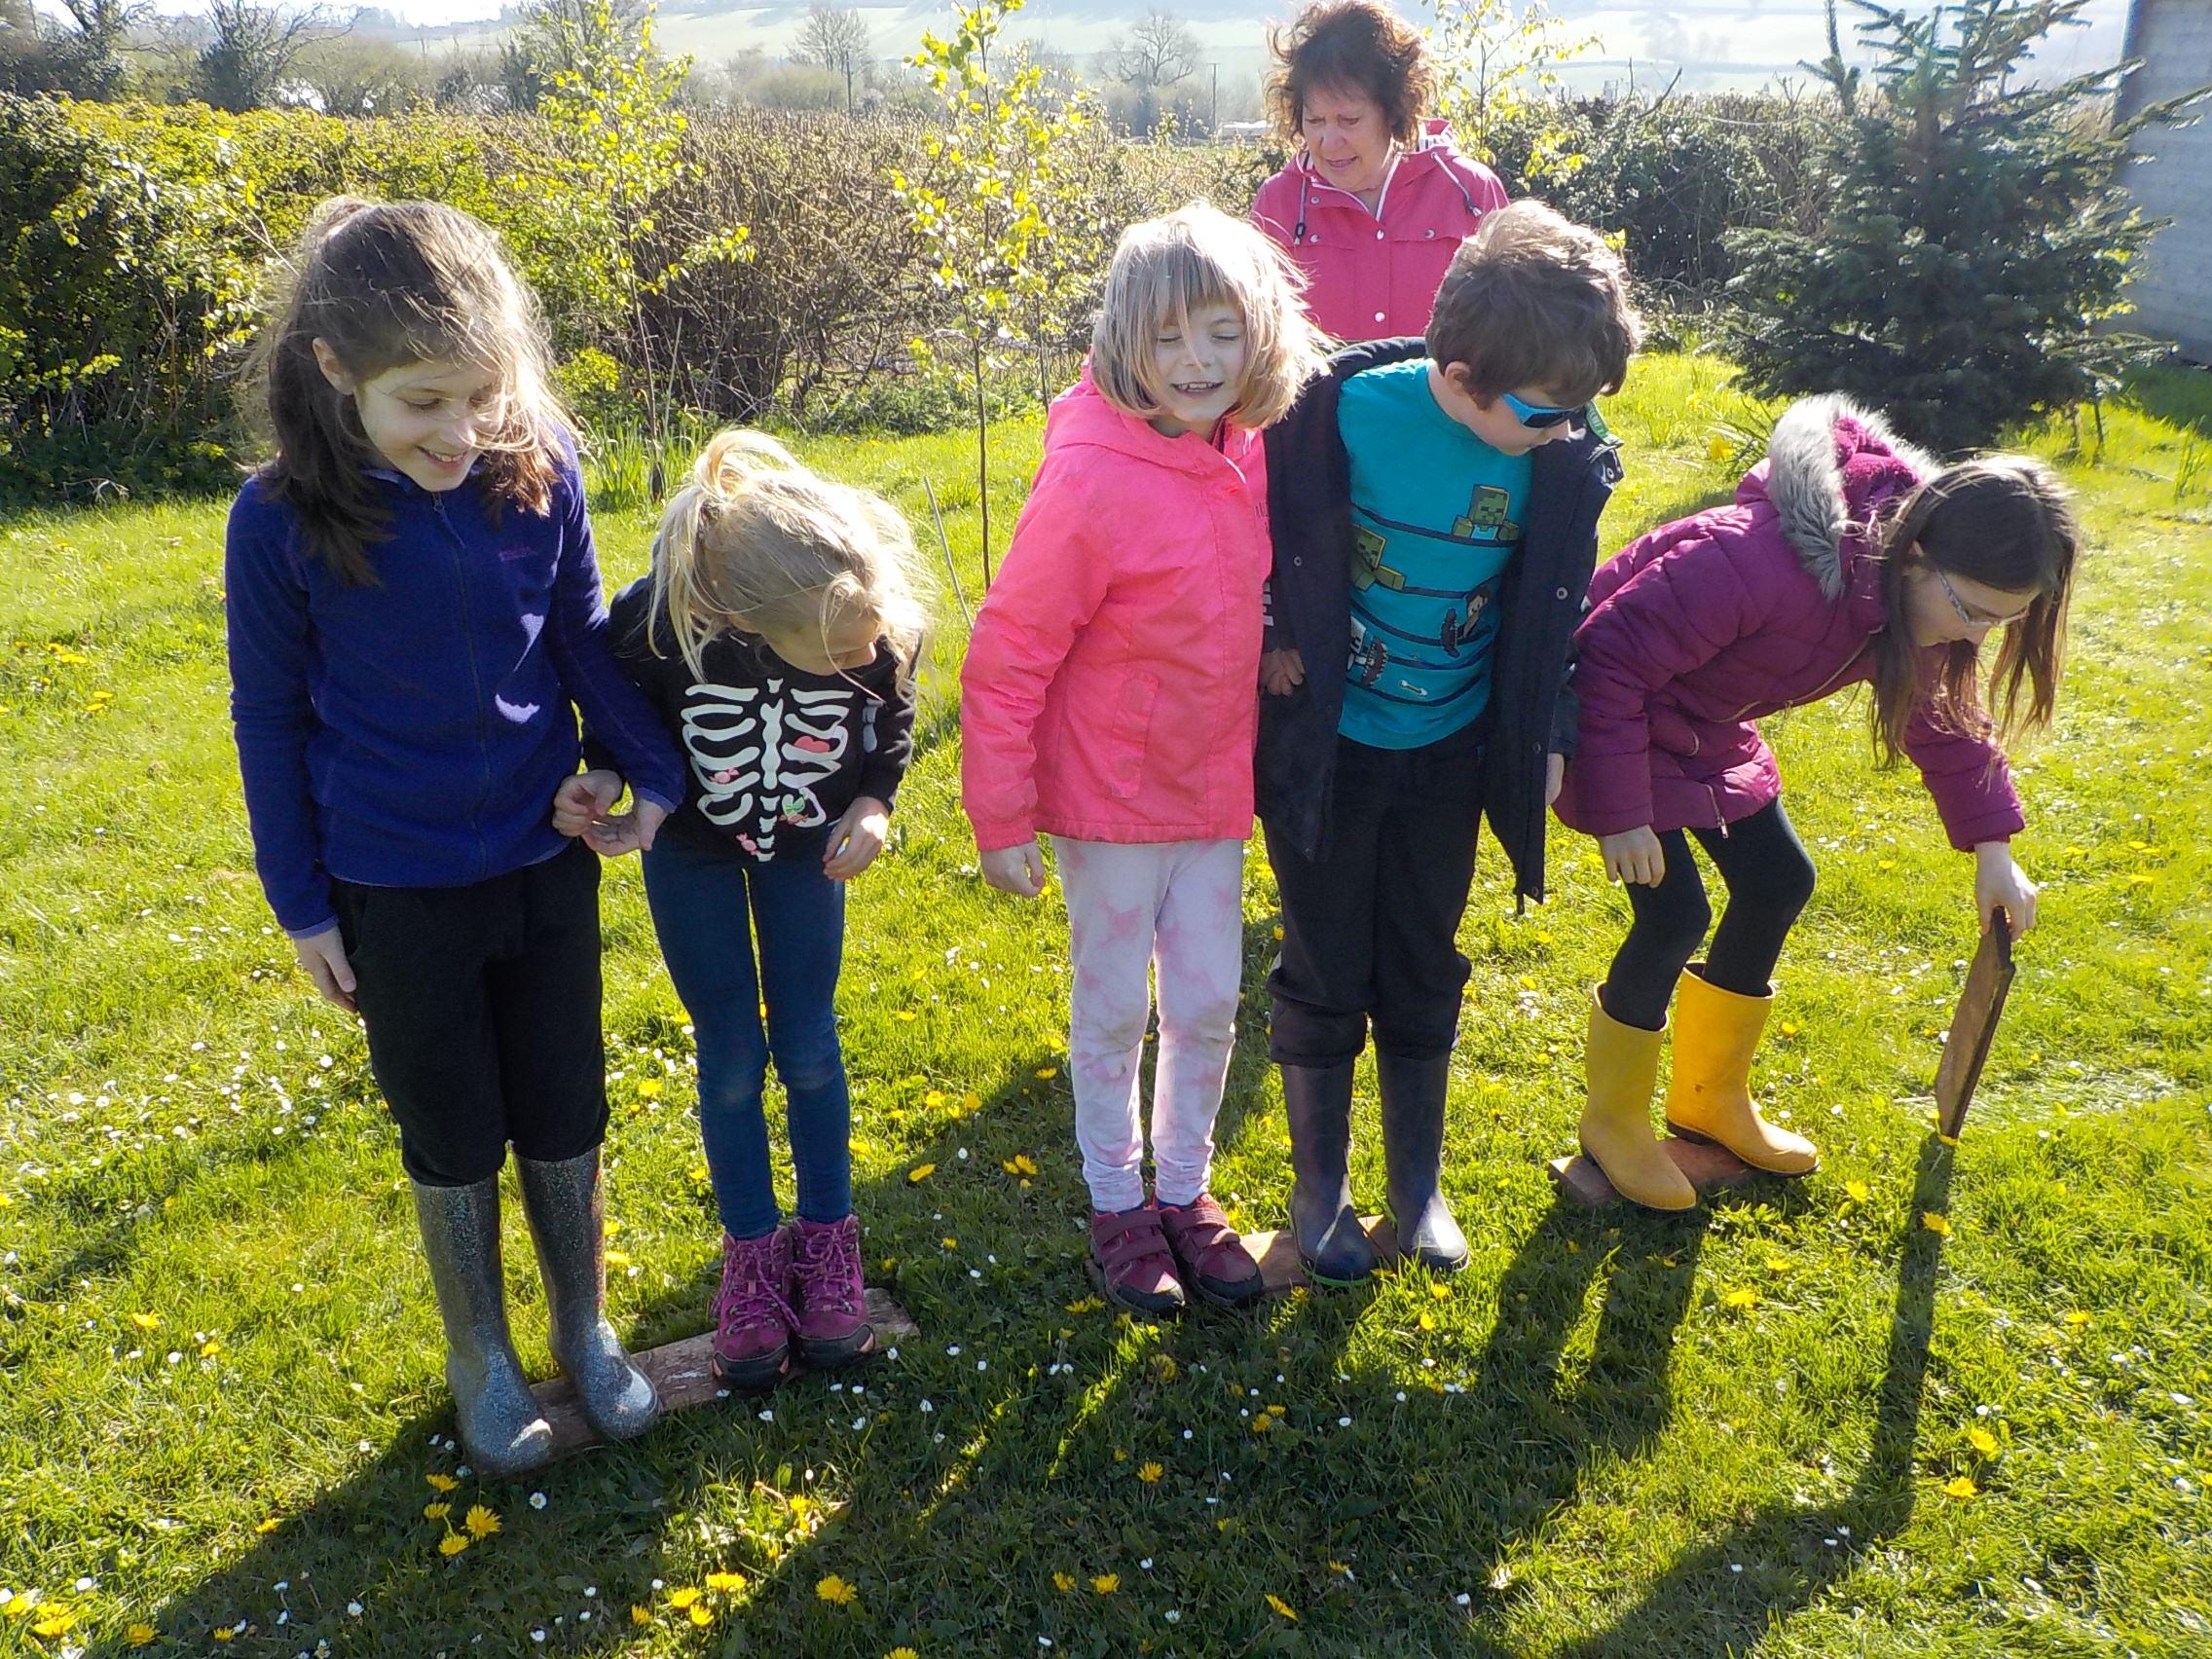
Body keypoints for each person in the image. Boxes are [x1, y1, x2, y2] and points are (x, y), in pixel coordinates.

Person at [224, 198, 685, 1474]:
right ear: (336, 370)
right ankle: (482, 1355)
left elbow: (579, 641)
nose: (462, 431)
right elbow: (267, 717)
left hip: (543, 863)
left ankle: (584, 1327)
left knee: (565, 1098)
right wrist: (302, 907)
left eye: (483, 395)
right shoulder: (279, 519)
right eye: (423, 402)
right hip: (394, 884)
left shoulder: (539, 472)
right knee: (450, 1119)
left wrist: (645, 777)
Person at [1554, 396, 2079, 1209]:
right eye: (1973, 611)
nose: (1977, 637)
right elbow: (1605, 661)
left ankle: (1710, 1099)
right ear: (1915, 554)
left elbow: (1945, 724)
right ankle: (1613, 1123)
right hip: (1607, 718)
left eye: (2002, 623)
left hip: (1702, 729)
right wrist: (1623, 816)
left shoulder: (1905, 598)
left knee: (1777, 881)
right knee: (1674, 913)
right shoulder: (1751, 561)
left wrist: (1995, 851)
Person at [1258, 200, 1640, 1283]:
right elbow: (1256, 529)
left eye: (1582, 410)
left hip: (1451, 751)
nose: (1566, 429)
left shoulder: (1560, 458)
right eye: (1546, 411)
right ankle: (1320, 1190)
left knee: (1426, 956)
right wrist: (1273, 631)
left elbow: (1558, 609)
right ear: (1463, 376)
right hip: (1331, 747)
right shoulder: (1329, 413)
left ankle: (1415, 1188)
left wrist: (1547, 730)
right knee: (1326, 958)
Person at [961, 203, 1328, 1318]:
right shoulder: (1088, 479)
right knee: (1116, 1008)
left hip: (1211, 790)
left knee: (1209, 1003)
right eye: (1167, 337)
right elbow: (1009, 652)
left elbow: (1233, 579)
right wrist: (1000, 818)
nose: (1196, 360)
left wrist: (1272, 638)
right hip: (1110, 799)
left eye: (1220, 331)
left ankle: (1185, 1190)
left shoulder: (1243, 451)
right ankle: (1118, 1205)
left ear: (1259, 333)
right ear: (1127, 340)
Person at [576, 431, 926, 1390]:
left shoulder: (862, 614)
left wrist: (874, 801)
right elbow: (612, 711)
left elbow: (891, 712)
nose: (866, 654)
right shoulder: (656, 626)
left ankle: (828, 1240)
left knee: (809, 1045)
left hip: (808, 855)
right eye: (841, 652)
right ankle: (751, 1255)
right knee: (729, 1056)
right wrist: (608, 773)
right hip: (690, 853)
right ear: (748, 621)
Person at [1251, 0, 1509, 342]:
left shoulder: (1470, 191)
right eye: (1314, 120)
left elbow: (1511, 333)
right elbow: (1258, 341)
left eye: (1349, 120)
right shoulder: (1278, 203)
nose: (1329, 142)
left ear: (1394, 110)